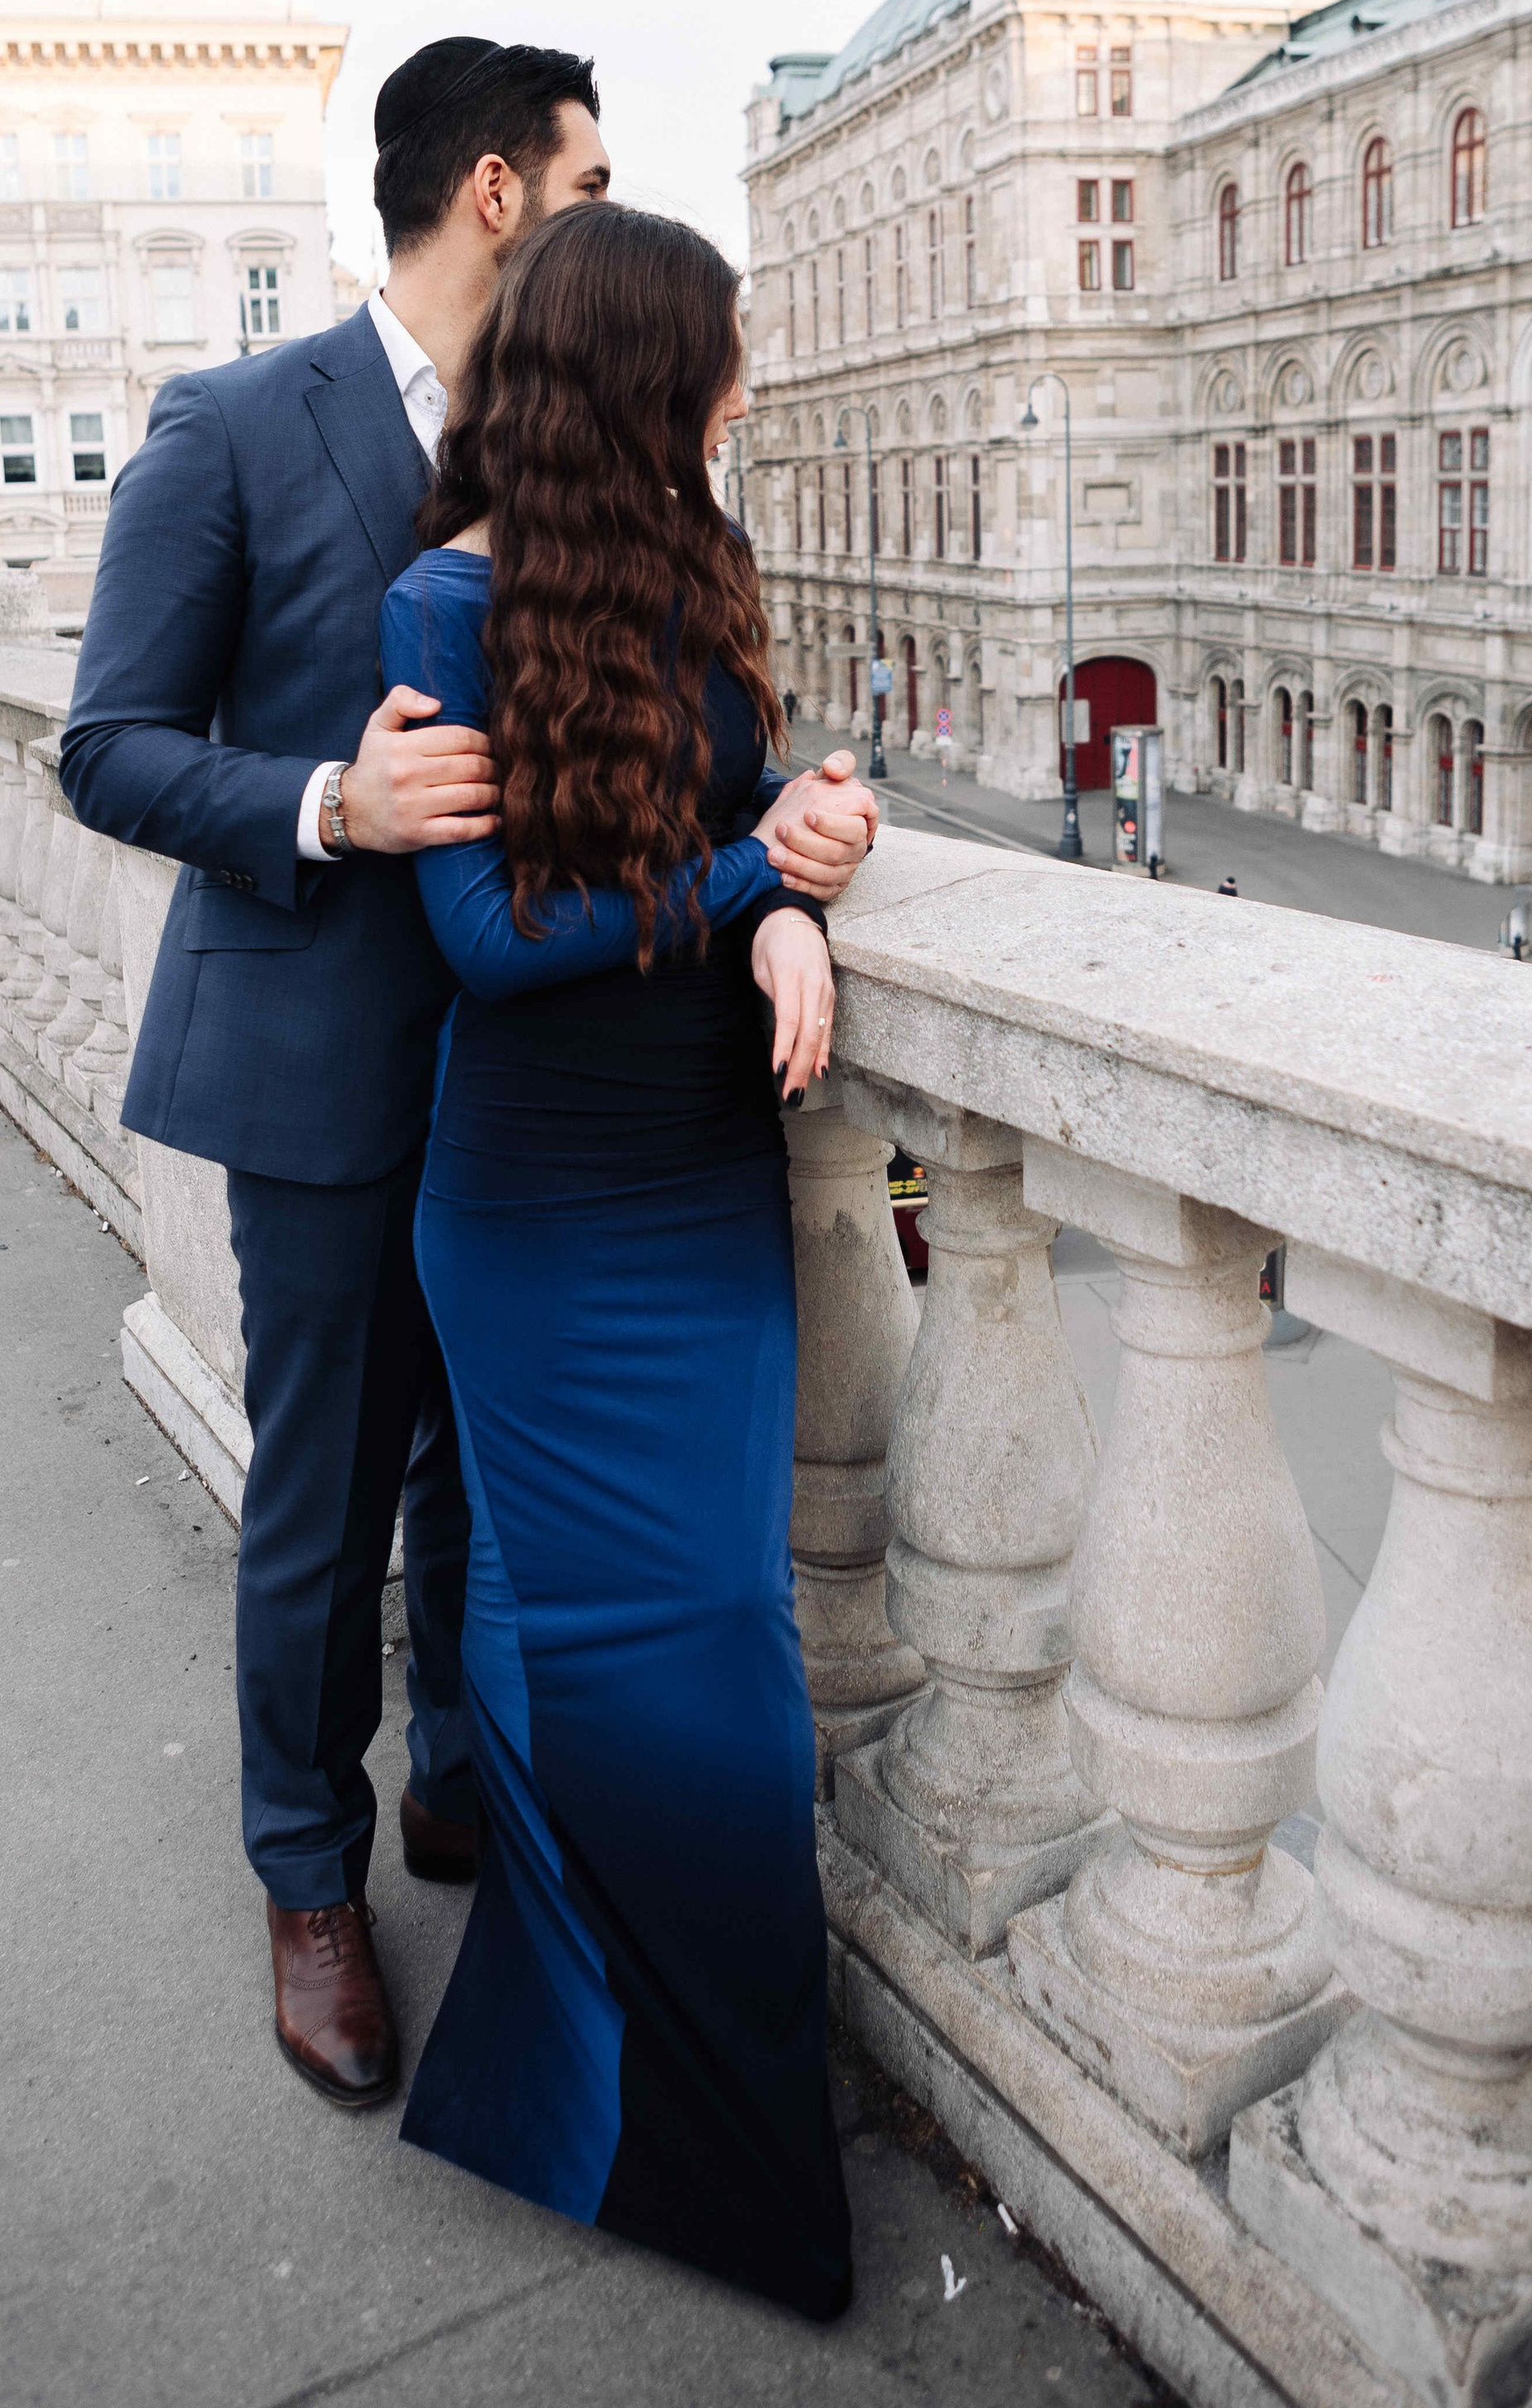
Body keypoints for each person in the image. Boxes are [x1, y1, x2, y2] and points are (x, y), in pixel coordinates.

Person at [58, 40, 875, 2114]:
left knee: (472, 1488)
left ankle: (452, 1786)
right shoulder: (238, 423)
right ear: (503, 195)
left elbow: (657, 724)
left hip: (557, 1093)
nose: (616, 209)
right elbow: (107, 746)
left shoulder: (586, 452)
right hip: (333, 1062)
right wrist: (330, 795)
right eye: (595, 179)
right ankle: (308, 1883)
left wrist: (777, 860)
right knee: (327, 1501)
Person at [379, 202, 857, 2319]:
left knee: (729, 1651)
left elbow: (718, 825)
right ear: (639, 378)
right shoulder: (440, 604)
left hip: (700, 1185)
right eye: (721, 359)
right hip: (541, 1213)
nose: (743, 392)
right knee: (577, 1649)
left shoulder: (703, 571)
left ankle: (645, 2110)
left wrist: (785, 897)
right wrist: (749, 867)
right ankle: (601, 2106)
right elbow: (490, 943)